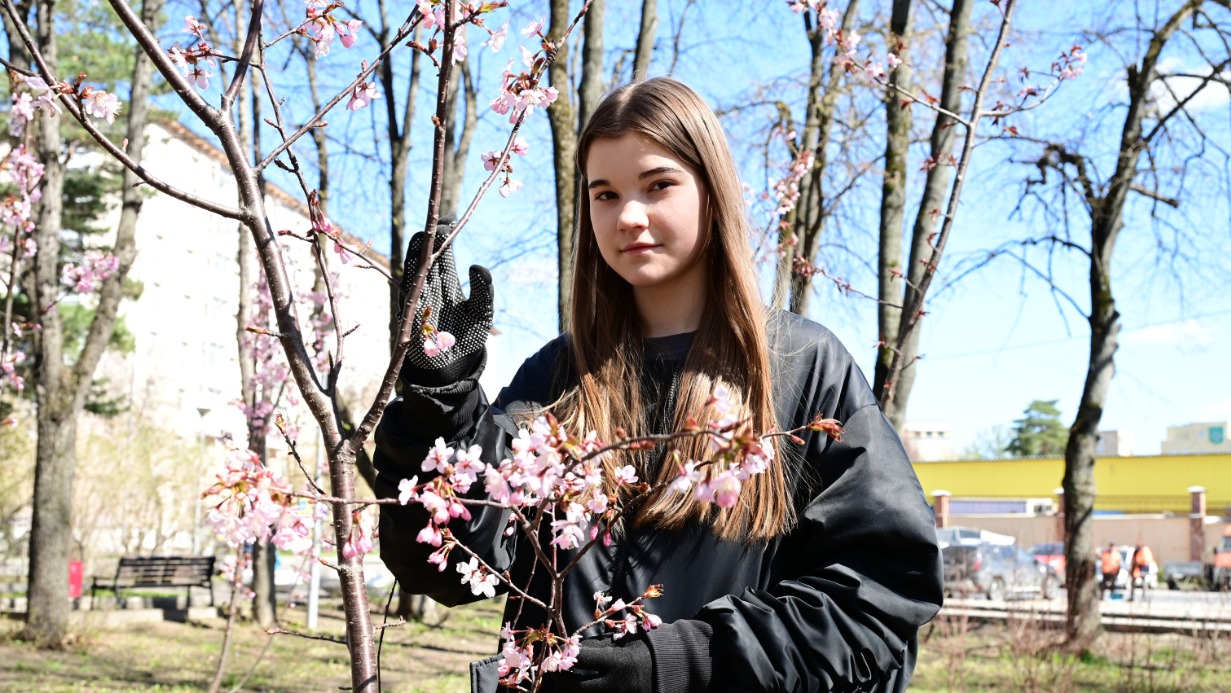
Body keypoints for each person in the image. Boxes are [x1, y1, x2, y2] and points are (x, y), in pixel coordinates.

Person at [373, 77, 944, 693]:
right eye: (605, 194)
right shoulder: (557, 377)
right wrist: (441, 406)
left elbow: (881, 593)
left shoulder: (800, 368)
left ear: (711, 190)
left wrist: (682, 663)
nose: (629, 216)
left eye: (658, 185)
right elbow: (454, 567)